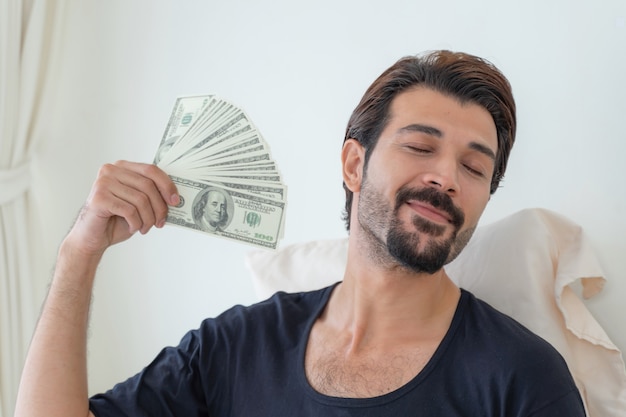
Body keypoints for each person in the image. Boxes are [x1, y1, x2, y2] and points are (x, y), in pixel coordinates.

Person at [15, 50, 586, 416]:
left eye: (474, 167)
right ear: (353, 166)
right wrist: (78, 252)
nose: (447, 177)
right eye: (420, 147)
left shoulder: (523, 379)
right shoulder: (235, 348)